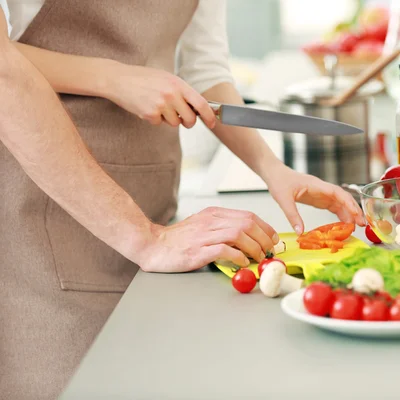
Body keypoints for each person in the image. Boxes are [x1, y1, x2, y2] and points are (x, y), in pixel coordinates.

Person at [0, 2, 365, 398]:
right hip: (46, 218)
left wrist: (272, 169)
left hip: (154, 210)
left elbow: (205, 71)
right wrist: (111, 77)